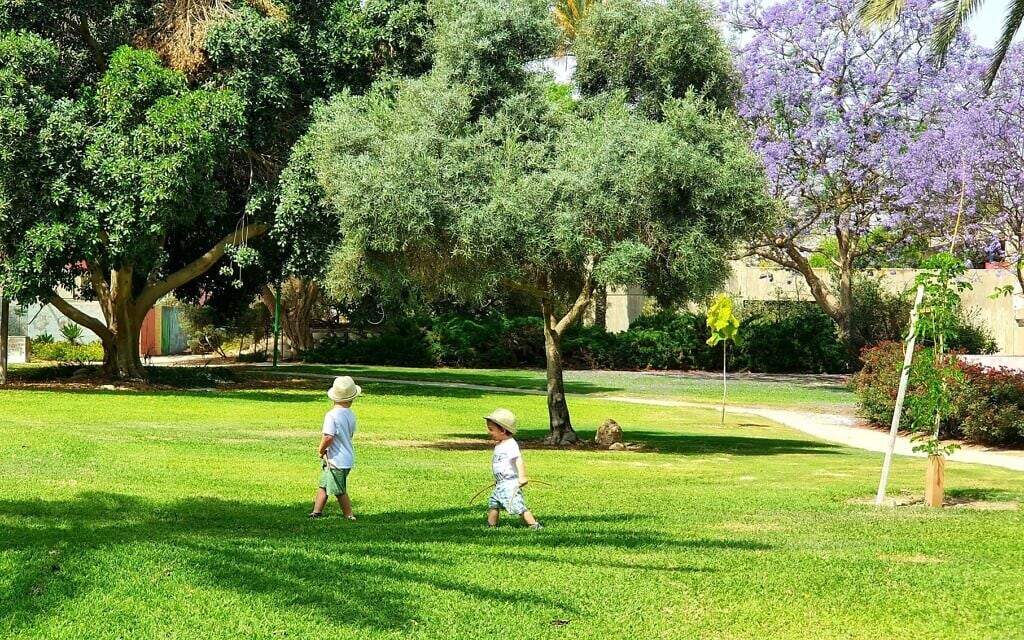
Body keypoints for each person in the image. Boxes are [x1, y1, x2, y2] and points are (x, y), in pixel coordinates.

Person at [308, 375, 361, 519]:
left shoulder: (331, 416)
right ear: (351, 398)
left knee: (338, 488)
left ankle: (349, 514)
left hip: (336, 460)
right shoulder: (350, 415)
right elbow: (349, 435)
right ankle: (316, 511)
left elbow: (328, 436)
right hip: (346, 457)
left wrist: (321, 450)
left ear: (334, 397)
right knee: (324, 484)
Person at [484, 408, 542, 530]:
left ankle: (533, 525)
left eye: (491, 429)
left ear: (503, 430)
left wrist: (522, 476)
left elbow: (518, 460)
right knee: (493, 503)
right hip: (501, 483)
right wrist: (498, 480)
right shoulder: (500, 444)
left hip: (510, 483)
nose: (488, 432)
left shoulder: (510, 444)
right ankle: (490, 526)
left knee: (517, 505)